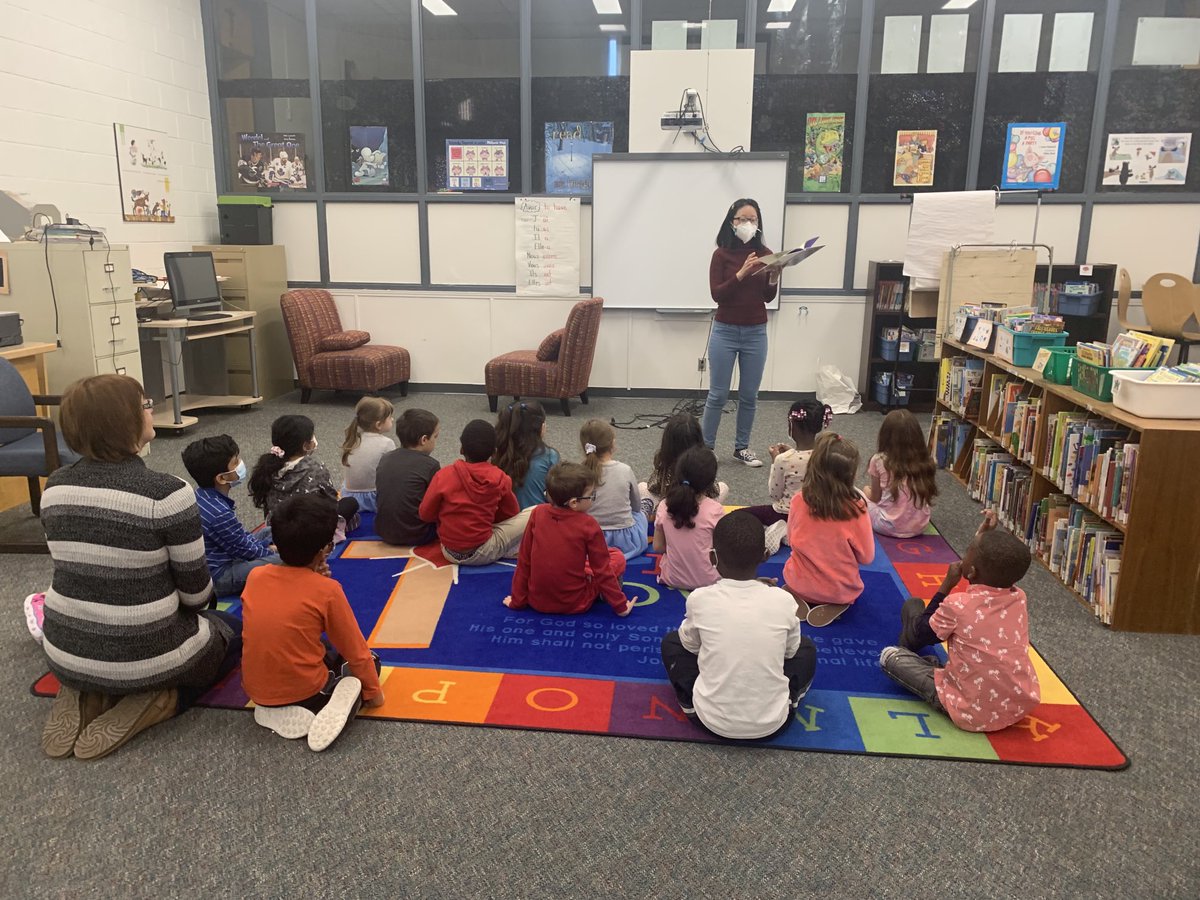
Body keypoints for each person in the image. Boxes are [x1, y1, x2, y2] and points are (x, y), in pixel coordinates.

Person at [38, 375, 242, 760]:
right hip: (148, 653)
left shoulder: (54, 486)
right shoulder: (167, 493)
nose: (151, 410)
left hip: (63, 644)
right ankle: (160, 698)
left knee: (104, 634)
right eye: (145, 405)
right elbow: (197, 596)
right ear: (126, 422)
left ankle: (88, 689)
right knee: (233, 633)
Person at [241, 494, 385, 751]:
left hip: (257, 691)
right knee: (371, 662)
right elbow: (356, 650)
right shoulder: (327, 590)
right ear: (323, 550)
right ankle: (331, 702)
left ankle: (274, 708)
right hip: (307, 691)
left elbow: (280, 620)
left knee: (318, 647)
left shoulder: (255, 576)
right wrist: (374, 695)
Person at [660, 511, 817, 740]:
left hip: (709, 720)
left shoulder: (700, 598)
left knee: (671, 643)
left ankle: (692, 701)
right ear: (765, 556)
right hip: (774, 723)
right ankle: (788, 698)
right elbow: (790, 652)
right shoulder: (783, 601)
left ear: (713, 558)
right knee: (807, 649)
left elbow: (690, 646)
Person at [879, 511, 1040, 733]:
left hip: (970, 711)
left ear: (971, 572)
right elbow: (986, 570)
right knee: (916, 612)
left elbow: (924, 635)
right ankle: (939, 665)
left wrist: (946, 585)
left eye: (967, 554)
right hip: (1017, 704)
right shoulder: (1019, 596)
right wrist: (983, 535)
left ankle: (935, 670)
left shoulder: (957, 604)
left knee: (891, 655)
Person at [701, 198, 782, 467]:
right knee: (718, 394)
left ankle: (742, 447)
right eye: (742, 219)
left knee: (749, 395)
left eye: (753, 219)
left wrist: (773, 276)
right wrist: (742, 272)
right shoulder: (721, 255)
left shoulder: (766, 253)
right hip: (725, 330)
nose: (748, 224)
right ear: (731, 222)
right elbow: (717, 294)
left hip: (755, 332)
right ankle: (707, 447)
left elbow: (768, 297)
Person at [503, 463, 634, 617]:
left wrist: (516, 601)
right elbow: (602, 569)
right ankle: (601, 593)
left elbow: (524, 561)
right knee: (617, 556)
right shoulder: (588, 524)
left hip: (537, 601)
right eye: (591, 495)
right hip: (576, 603)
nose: (593, 498)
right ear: (573, 502)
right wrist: (621, 607)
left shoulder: (537, 513)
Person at [782, 432, 875, 628]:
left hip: (797, 582)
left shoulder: (799, 499)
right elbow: (867, 557)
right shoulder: (857, 508)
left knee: (794, 564)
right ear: (852, 474)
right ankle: (837, 601)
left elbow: (791, 539)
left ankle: (799, 593)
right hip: (840, 590)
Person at [419, 419, 532, 566]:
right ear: (494, 452)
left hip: (448, 551)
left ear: (461, 449)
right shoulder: (500, 478)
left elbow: (425, 514)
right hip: (484, 552)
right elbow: (510, 514)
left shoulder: (443, 475)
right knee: (534, 511)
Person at [182, 434, 278, 597]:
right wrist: (271, 552)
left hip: (225, 554)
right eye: (235, 462)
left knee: (269, 531)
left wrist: (265, 546)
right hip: (220, 576)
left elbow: (239, 537)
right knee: (283, 560)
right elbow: (245, 550)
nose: (240, 463)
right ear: (221, 478)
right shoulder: (219, 513)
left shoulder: (201, 495)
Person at [742, 399, 833, 555]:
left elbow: (775, 494)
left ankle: (785, 530)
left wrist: (774, 461)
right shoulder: (826, 455)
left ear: (792, 426)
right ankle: (800, 531)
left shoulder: (783, 460)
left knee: (739, 516)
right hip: (816, 515)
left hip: (785, 513)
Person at [248, 415, 359, 534]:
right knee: (350, 503)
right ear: (305, 445)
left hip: (278, 529)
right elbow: (331, 499)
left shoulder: (268, 466)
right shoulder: (314, 467)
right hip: (308, 531)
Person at [653, 447, 724, 591]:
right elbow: (723, 550)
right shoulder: (716, 510)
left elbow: (658, 547)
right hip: (710, 581)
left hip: (672, 578)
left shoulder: (664, 505)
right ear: (710, 482)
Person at [862, 409, 938, 538]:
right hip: (920, 526)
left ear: (885, 436)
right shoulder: (928, 461)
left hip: (886, 526)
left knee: (860, 494)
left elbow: (875, 497)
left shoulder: (879, 459)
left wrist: (865, 491)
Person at [579, 419, 647, 560]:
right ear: (613, 443)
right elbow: (636, 506)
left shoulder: (579, 472)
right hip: (627, 541)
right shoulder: (625, 470)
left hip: (590, 538)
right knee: (640, 515)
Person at [638, 412, 728, 517]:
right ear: (699, 438)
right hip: (698, 506)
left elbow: (653, 486)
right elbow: (713, 490)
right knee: (724, 487)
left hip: (669, 507)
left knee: (641, 487)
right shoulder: (704, 459)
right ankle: (705, 513)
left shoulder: (663, 457)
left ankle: (650, 509)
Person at [375, 408, 441, 547]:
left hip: (383, 531)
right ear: (424, 439)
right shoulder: (431, 465)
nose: (436, 440)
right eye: (435, 436)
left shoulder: (385, 458)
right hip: (419, 535)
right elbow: (436, 503)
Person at [493, 400, 559, 509]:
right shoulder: (550, 456)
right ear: (542, 427)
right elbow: (557, 498)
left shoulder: (496, 452)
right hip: (536, 520)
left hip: (501, 520)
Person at [340, 396, 396, 513]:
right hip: (373, 498)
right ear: (378, 424)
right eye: (390, 417)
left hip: (349, 496)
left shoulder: (353, 439)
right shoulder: (387, 443)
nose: (393, 419)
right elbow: (392, 472)